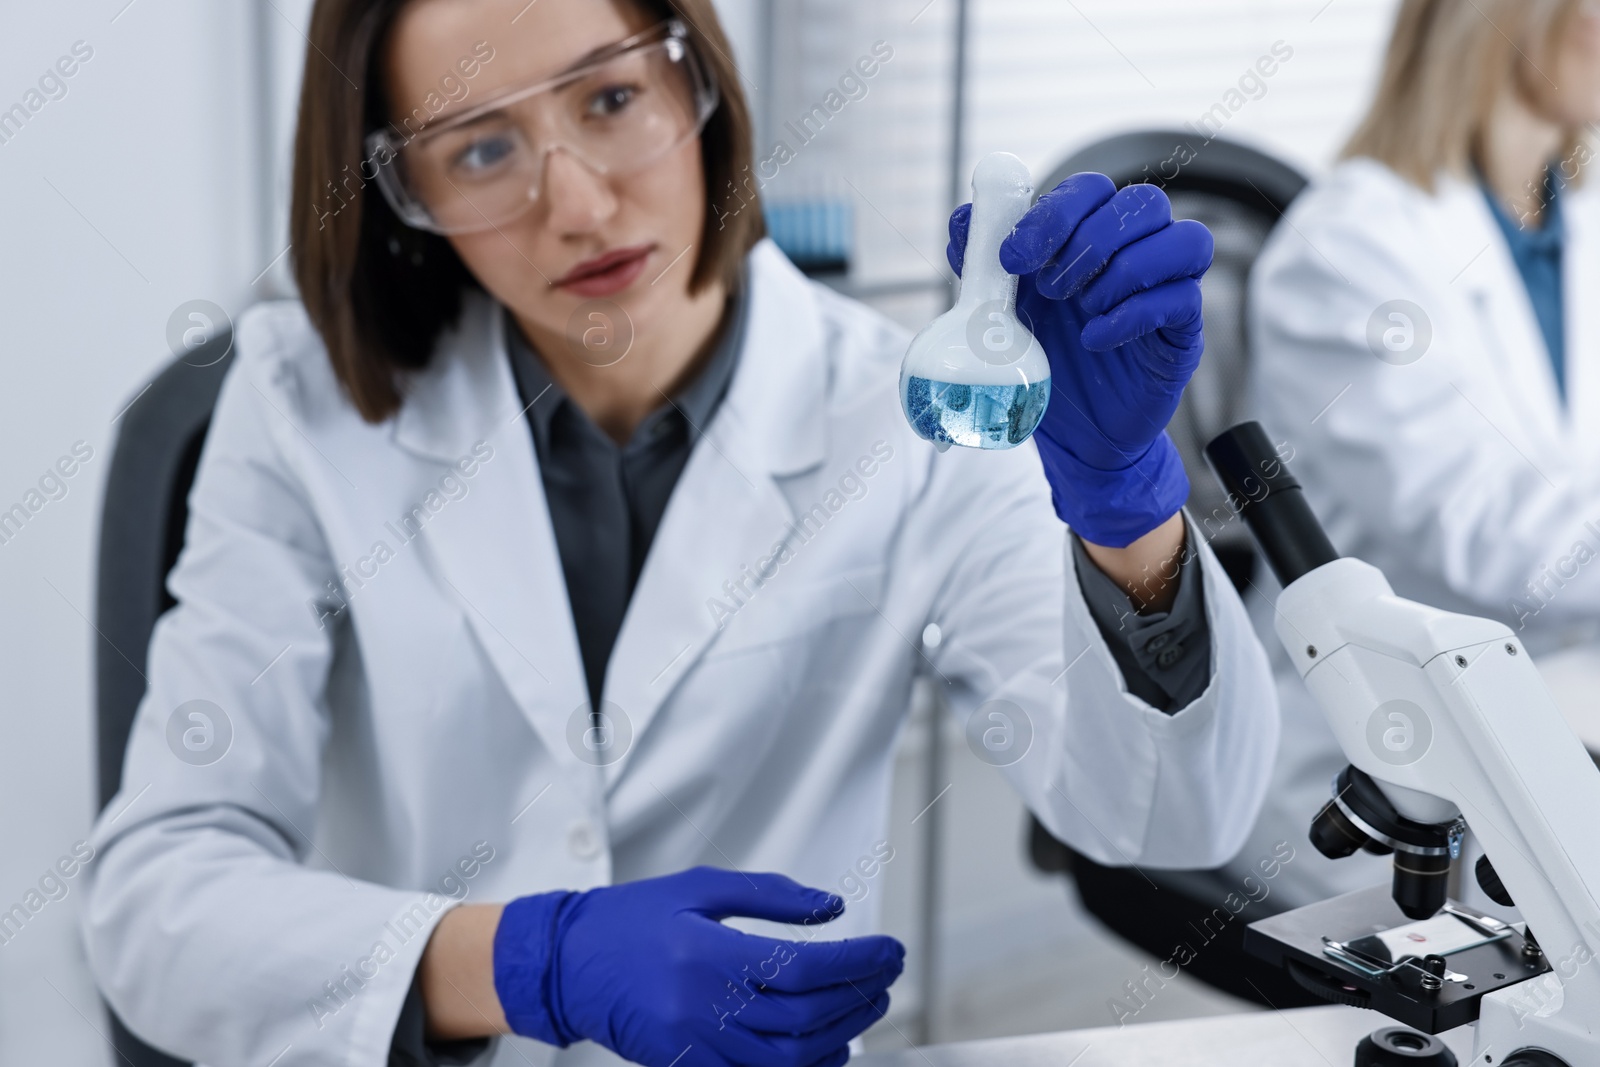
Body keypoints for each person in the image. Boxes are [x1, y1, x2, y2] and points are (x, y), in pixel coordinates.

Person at [80, 0, 1278, 1064]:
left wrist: (1125, 505)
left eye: (610, 98)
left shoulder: (899, 412)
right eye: (481, 147)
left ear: (695, 83)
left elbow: (1168, 818)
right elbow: (154, 905)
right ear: (402, 192)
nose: (580, 205)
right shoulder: (297, 404)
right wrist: (516, 961)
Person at [1219, 0, 1600, 912]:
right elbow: (1501, 542)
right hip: (1398, 760)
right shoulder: (1348, 246)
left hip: (1560, 699)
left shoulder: (1573, 227)